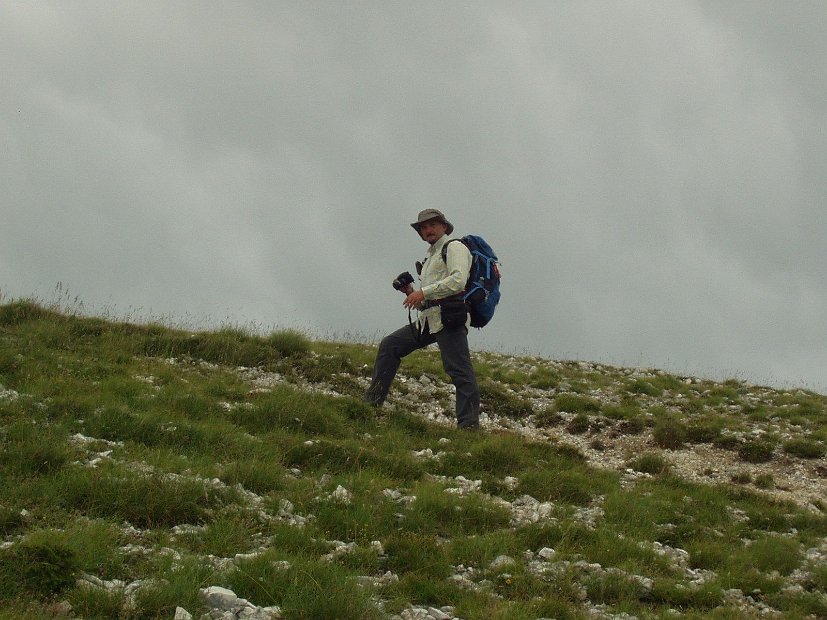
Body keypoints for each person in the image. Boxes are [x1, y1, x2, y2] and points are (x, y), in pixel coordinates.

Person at [364, 209, 480, 429]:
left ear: (444, 227)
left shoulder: (455, 247)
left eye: (432, 225)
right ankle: (371, 403)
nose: (428, 230)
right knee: (390, 345)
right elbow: (428, 297)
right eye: (424, 228)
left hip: (450, 318)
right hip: (430, 318)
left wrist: (423, 292)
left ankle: (469, 428)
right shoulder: (431, 257)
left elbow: (458, 281)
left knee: (459, 371)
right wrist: (410, 291)